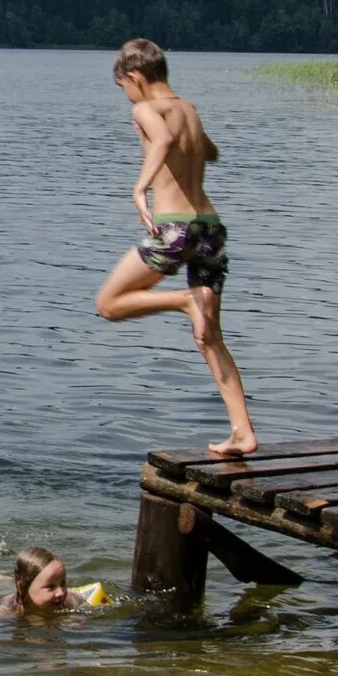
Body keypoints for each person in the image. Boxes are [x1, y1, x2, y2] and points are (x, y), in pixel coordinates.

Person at [92, 38, 258, 459]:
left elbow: (164, 140)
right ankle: (243, 432)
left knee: (109, 304)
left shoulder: (145, 108)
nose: (126, 97)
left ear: (135, 78)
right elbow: (209, 152)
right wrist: (165, 144)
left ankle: (182, 301)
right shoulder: (190, 110)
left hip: (175, 228)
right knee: (209, 336)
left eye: (123, 88)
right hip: (211, 230)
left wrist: (140, 185)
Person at [0, 548, 111, 618]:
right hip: (14, 594)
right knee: (4, 583)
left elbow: (84, 603)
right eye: (50, 586)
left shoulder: (69, 600)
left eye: (63, 583)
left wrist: (81, 618)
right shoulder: (9, 610)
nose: (61, 592)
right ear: (23, 588)